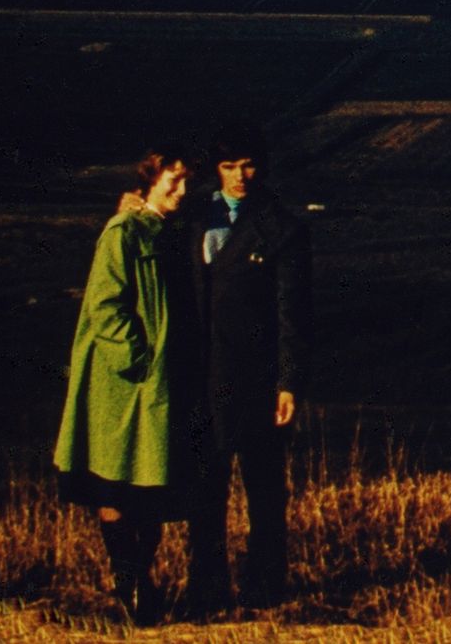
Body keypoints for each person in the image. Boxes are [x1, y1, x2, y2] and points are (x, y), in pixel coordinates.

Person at [53, 146, 203, 624]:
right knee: (115, 482)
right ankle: (130, 580)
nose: (180, 192)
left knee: (152, 481)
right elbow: (106, 305)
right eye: (171, 183)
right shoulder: (123, 232)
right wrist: (138, 359)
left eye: (185, 183)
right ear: (150, 182)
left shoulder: (168, 232)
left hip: (158, 380)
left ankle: (140, 579)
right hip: (123, 382)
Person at [186, 124, 312, 611]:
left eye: (248, 165)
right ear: (215, 169)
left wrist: (288, 382)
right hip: (199, 374)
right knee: (204, 491)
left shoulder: (282, 227)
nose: (241, 176)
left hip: (257, 378)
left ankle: (265, 589)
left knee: (263, 489)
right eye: (229, 166)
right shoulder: (191, 218)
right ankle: (207, 589)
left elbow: (292, 312)